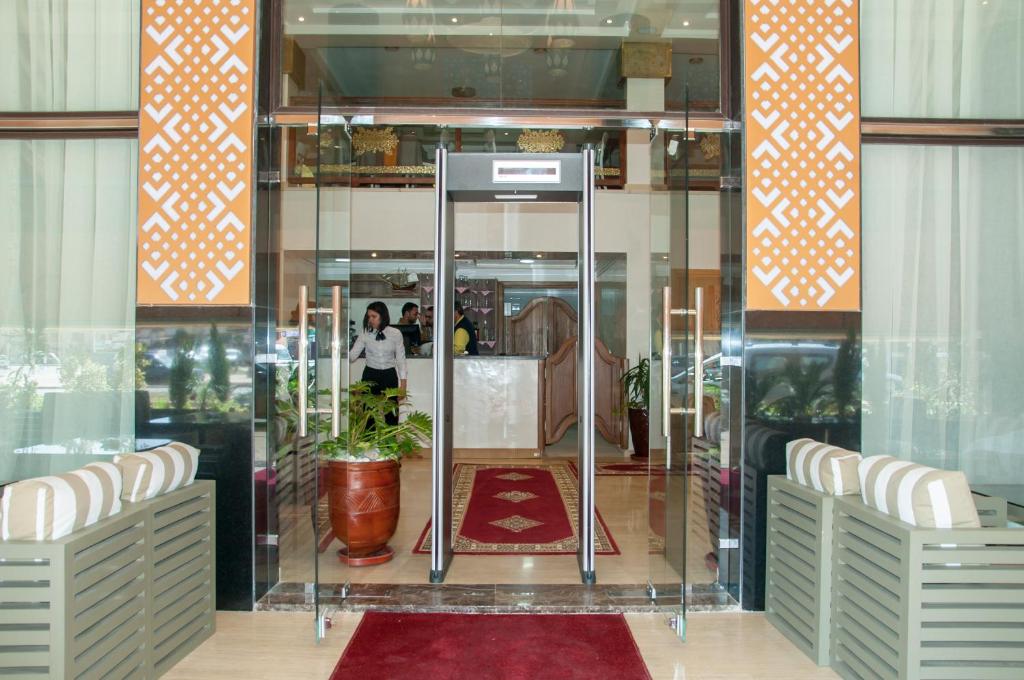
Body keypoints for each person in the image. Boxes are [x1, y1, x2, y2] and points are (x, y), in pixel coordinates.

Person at [349, 301, 407, 426]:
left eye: (374, 316)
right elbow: (352, 356)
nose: (370, 320)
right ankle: (369, 444)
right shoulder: (364, 334)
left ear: (383, 316)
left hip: (389, 374)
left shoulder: (396, 334)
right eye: (369, 316)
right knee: (369, 413)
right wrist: (339, 348)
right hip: (370, 375)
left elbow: (401, 360)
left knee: (391, 414)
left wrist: (403, 385)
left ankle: (391, 444)